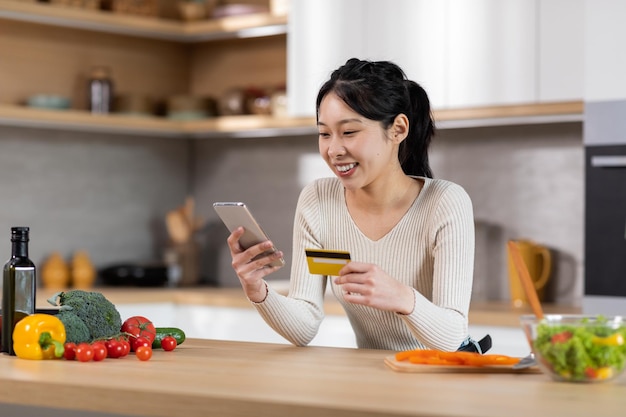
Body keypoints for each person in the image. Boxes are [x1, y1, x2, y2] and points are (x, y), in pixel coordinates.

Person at [226, 58, 487, 353]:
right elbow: (304, 325)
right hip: (370, 378)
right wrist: (257, 289)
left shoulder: (445, 203)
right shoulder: (319, 202)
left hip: (437, 380)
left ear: (398, 129)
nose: (334, 150)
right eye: (324, 134)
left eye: (349, 132)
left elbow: (452, 336)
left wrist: (402, 297)